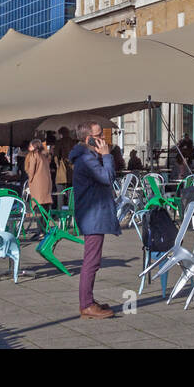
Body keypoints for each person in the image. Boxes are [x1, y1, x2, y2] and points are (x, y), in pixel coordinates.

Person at [69, 122, 120, 319]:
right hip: (92, 214)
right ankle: (87, 304)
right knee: (92, 261)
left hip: (92, 213)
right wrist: (106, 156)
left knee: (93, 260)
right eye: (99, 135)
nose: (104, 140)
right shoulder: (86, 160)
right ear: (88, 138)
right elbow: (107, 178)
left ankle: (88, 301)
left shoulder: (88, 157)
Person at [24, 139, 53, 211]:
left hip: (37, 183)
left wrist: (30, 181)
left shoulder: (34, 155)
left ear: (35, 146)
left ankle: (40, 222)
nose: (29, 148)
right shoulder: (45, 156)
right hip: (47, 182)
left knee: (38, 203)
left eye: (30, 146)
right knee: (45, 204)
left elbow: (31, 170)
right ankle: (45, 221)